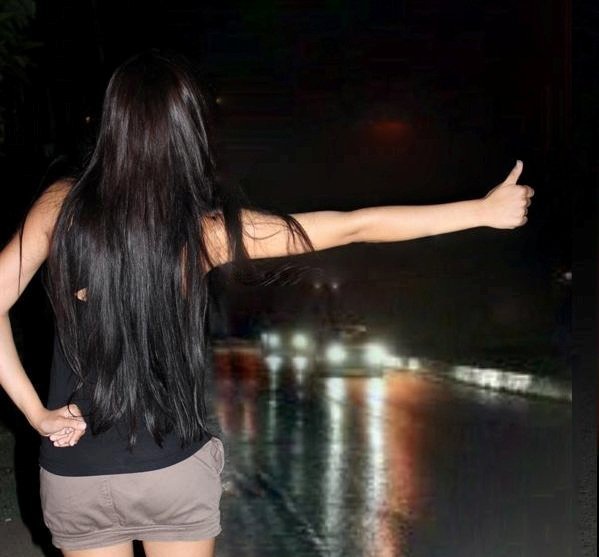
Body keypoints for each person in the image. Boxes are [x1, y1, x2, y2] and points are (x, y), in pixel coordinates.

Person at [0, 48, 534, 557]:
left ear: (112, 124)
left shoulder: (60, 207)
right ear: (187, 133)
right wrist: (480, 211)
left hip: (76, 470)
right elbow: (354, 226)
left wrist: (35, 413)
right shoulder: (205, 234)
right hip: (171, 466)